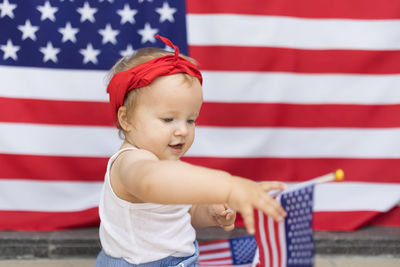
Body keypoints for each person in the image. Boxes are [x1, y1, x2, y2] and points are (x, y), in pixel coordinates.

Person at [95, 35, 287, 267]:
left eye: (191, 120)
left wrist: (208, 212)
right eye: (168, 119)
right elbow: (150, 182)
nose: (183, 131)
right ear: (126, 119)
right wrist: (229, 186)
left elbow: (179, 214)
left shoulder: (166, 165)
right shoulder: (131, 162)